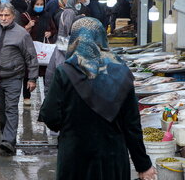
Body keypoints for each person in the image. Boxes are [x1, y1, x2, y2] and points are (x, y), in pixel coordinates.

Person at [39, 17, 157, 180]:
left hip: (75, 158)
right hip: (112, 158)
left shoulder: (64, 73)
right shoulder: (121, 72)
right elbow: (132, 125)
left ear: (74, 40)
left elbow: (50, 116)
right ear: (102, 38)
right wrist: (143, 165)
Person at [0, 2, 39, 153]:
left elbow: (31, 56)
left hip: (14, 77)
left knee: (11, 109)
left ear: (13, 16)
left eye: (6, 15)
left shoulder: (22, 33)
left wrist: (32, 78)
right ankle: (7, 137)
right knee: (1, 110)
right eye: (1, 15)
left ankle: (8, 140)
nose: (3, 18)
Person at [20, 0, 57, 106]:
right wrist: (28, 26)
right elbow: (19, 31)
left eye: (41, 4)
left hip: (43, 50)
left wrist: (50, 33)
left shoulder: (47, 16)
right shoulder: (25, 16)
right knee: (28, 72)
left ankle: (47, 96)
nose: (39, 6)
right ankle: (26, 96)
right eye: (37, 4)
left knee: (46, 73)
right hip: (29, 49)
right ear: (32, 4)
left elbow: (54, 28)